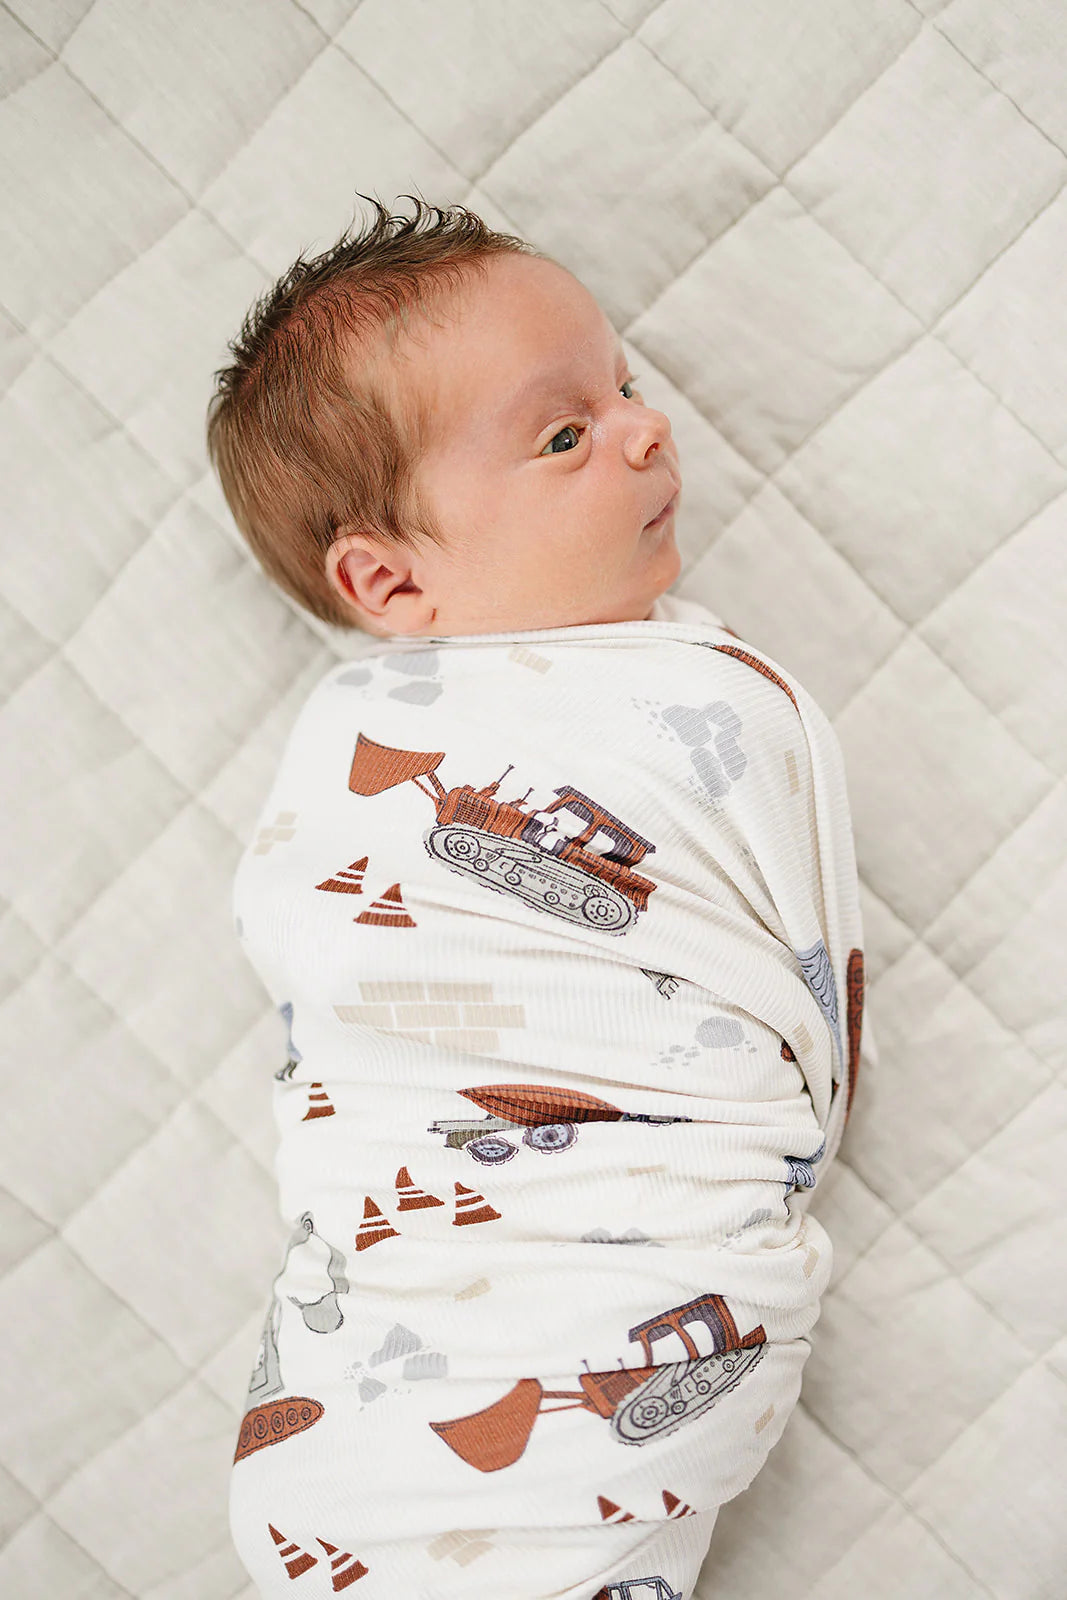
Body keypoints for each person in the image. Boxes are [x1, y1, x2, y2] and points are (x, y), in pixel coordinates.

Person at [207, 194, 870, 1599]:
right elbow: (323, 952)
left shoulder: (685, 695)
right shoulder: (357, 740)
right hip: (403, 1260)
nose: (646, 430)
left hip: (641, 1254)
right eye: (565, 436)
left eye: (624, 388)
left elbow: (793, 962)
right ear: (391, 581)